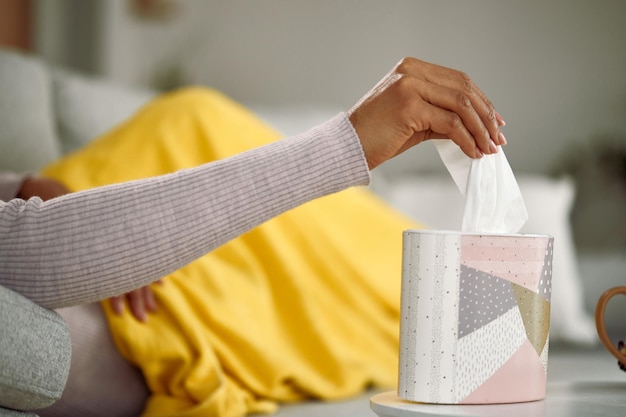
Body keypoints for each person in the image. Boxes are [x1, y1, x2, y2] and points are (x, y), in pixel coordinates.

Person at [0, 58, 506, 417]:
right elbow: (31, 252)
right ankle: (487, 288)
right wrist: (345, 144)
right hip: (120, 255)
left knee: (198, 119)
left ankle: (491, 280)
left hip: (113, 179)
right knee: (354, 285)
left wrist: (29, 186)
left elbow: (22, 225)